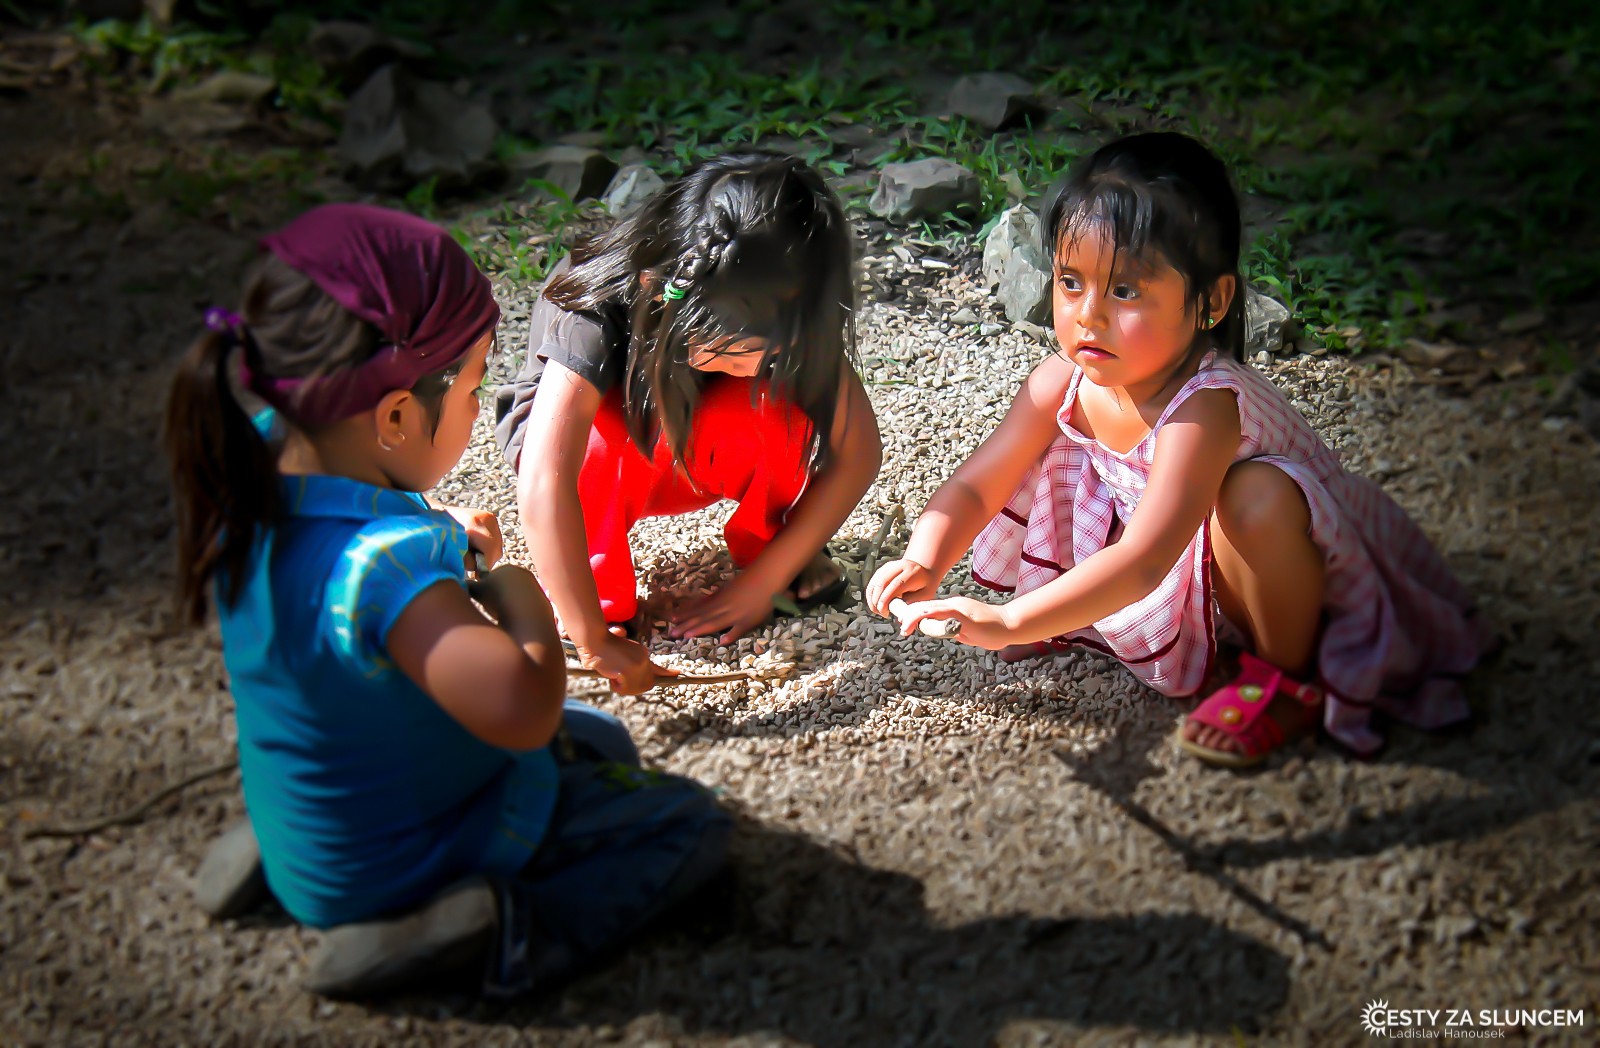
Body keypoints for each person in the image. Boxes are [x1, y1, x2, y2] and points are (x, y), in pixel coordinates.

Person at [163, 202, 730, 998]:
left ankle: (284, 847)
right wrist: (521, 598)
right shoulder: (383, 569)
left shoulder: (250, 462)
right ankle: (483, 925)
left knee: (601, 739)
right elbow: (522, 709)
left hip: (322, 812)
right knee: (688, 824)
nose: (475, 409)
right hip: (413, 855)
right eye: (470, 391)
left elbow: (334, 572)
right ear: (396, 416)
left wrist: (439, 532)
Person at [867, 133, 1483, 767]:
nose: (1088, 314)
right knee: (1053, 452)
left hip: (1304, 581)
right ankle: (1085, 615)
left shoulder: (1204, 408)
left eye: (1125, 291)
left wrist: (1011, 622)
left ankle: (1285, 679)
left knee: (1255, 496)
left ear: (1212, 301)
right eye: (1071, 281)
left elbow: (1143, 559)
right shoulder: (1063, 381)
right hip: (1201, 571)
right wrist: (925, 559)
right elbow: (977, 483)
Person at [495, 152, 882, 695]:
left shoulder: (782, 301)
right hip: (596, 457)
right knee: (593, 441)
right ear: (665, 298)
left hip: (688, 452)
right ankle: (592, 595)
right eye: (747, 351)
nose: (769, 363)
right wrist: (591, 639)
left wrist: (763, 582)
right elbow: (545, 476)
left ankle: (777, 547)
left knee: (781, 405)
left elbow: (858, 452)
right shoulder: (593, 302)